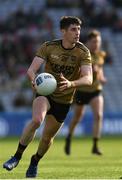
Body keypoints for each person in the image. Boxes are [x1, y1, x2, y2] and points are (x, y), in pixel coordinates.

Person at [3, 16, 93, 178]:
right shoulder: (49, 47)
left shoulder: (83, 52)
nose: (78, 32)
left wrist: (71, 84)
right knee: (37, 120)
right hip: (45, 92)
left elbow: (88, 79)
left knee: (47, 138)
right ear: (63, 31)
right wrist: (33, 80)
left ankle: (35, 161)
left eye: (79, 29)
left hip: (65, 100)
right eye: (73, 29)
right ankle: (16, 157)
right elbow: (31, 70)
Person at [64, 29, 107, 156]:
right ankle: (69, 137)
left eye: (98, 42)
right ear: (88, 42)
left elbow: (100, 71)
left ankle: (95, 145)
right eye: (94, 42)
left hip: (95, 90)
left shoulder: (100, 55)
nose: (96, 44)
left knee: (98, 115)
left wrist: (102, 78)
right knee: (78, 117)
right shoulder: (81, 53)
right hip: (82, 90)